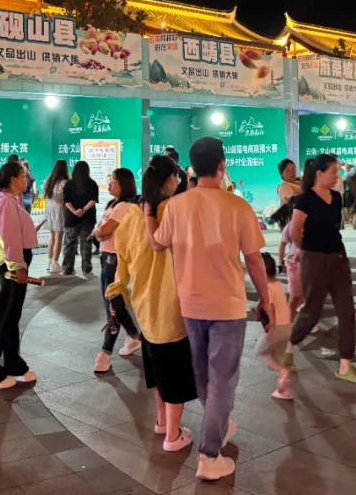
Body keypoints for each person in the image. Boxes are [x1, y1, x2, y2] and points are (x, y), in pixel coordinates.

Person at [152, 136, 273, 482]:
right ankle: (208, 454)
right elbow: (254, 260)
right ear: (222, 165)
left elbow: (157, 244)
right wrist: (266, 300)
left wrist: (147, 211)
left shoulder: (176, 206)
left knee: (204, 374)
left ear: (191, 169)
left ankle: (217, 428)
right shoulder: (238, 207)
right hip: (227, 306)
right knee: (222, 378)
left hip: (191, 304)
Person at [109, 154, 197, 452]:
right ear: (170, 180)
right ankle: (173, 435)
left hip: (144, 305)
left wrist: (117, 291)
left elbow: (121, 261)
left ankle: (162, 422)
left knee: (157, 368)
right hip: (173, 306)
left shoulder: (133, 217)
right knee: (176, 373)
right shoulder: (175, 210)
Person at [289, 154, 356, 384]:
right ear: (319, 173)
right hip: (314, 260)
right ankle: (286, 347)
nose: (337, 175)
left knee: (347, 311)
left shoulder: (336, 197)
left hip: (338, 258)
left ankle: (345, 365)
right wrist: (305, 250)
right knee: (311, 312)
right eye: (333, 171)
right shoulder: (305, 200)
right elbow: (295, 231)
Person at [0, 161, 38, 390]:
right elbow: (9, 238)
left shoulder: (10, 201)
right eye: (23, 176)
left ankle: (14, 364)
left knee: (11, 317)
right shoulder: (6, 202)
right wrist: (17, 267)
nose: (26, 180)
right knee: (3, 318)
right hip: (11, 267)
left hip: (14, 265)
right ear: (13, 179)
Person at [92, 168, 143, 373]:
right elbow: (101, 231)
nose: (110, 184)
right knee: (116, 304)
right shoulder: (113, 205)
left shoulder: (124, 207)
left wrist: (99, 232)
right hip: (107, 258)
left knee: (112, 306)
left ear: (124, 184)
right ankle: (135, 337)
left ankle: (105, 353)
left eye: (113, 181)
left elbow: (103, 231)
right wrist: (100, 232)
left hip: (114, 259)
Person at [255, 253, 294, 400]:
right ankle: (284, 390)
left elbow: (269, 305)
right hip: (286, 326)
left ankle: (282, 371)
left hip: (276, 327)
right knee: (279, 356)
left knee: (261, 352)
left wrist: (271, 324)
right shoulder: (278, 284)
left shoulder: (267, 287)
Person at [62, 161, 99, 276]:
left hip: (71, 218)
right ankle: (86, 268)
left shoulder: (69, 184)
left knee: (69, 243)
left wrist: (74, 211)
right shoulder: (92, 183)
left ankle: (67, 268)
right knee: (86, 243)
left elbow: (66, 201)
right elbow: (93, 200)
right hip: (87, 218)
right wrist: (83, 210)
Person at [43, 160, 70, 273]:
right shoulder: (65, 183)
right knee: (59, 237)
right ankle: (55, 263)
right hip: (59, 209)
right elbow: (67, 199)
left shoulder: (48, 180)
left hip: (49, 208)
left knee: (52, 236)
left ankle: (50, 262)